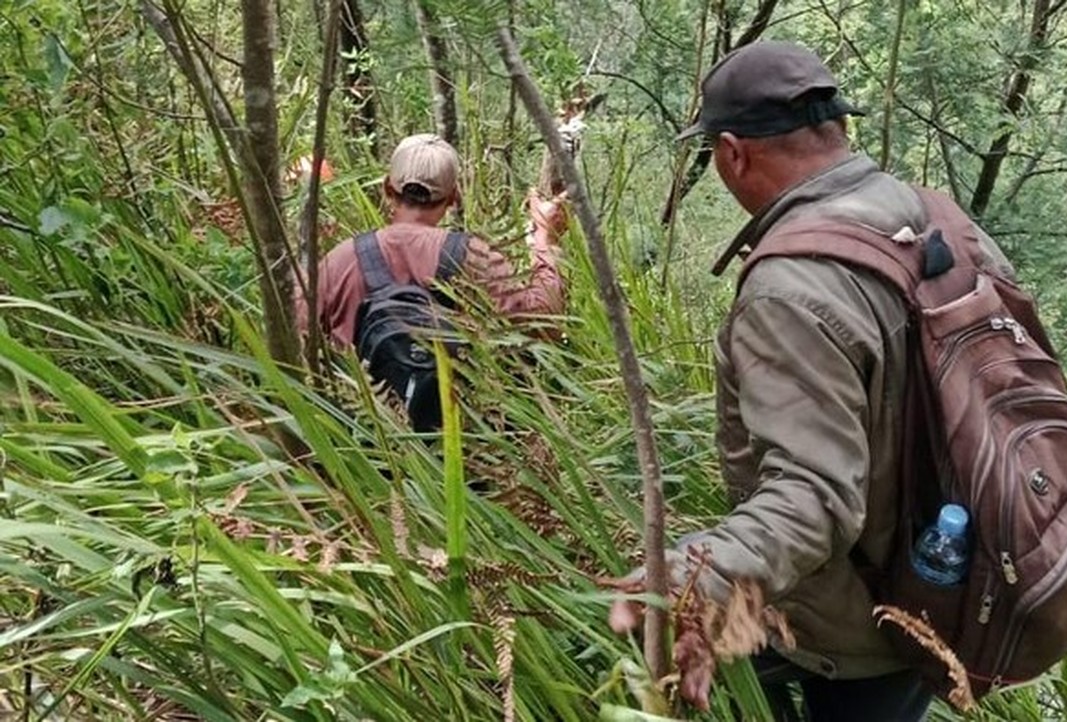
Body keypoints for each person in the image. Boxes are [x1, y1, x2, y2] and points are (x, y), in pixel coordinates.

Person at [610, 42, 1014, 721]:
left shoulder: (789, 291)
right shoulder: (936, 217)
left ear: (733, 153)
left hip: (852, 619)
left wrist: (696, 577)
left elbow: (817, 496)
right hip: (945, 575)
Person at [296, 133, 568, 427]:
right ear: (454, 197)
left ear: (388, 187)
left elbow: (294, 341)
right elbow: (545, 324)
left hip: (362, 448)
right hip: (460, 447)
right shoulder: (473, 256)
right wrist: (544, 238)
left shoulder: (338, 260)